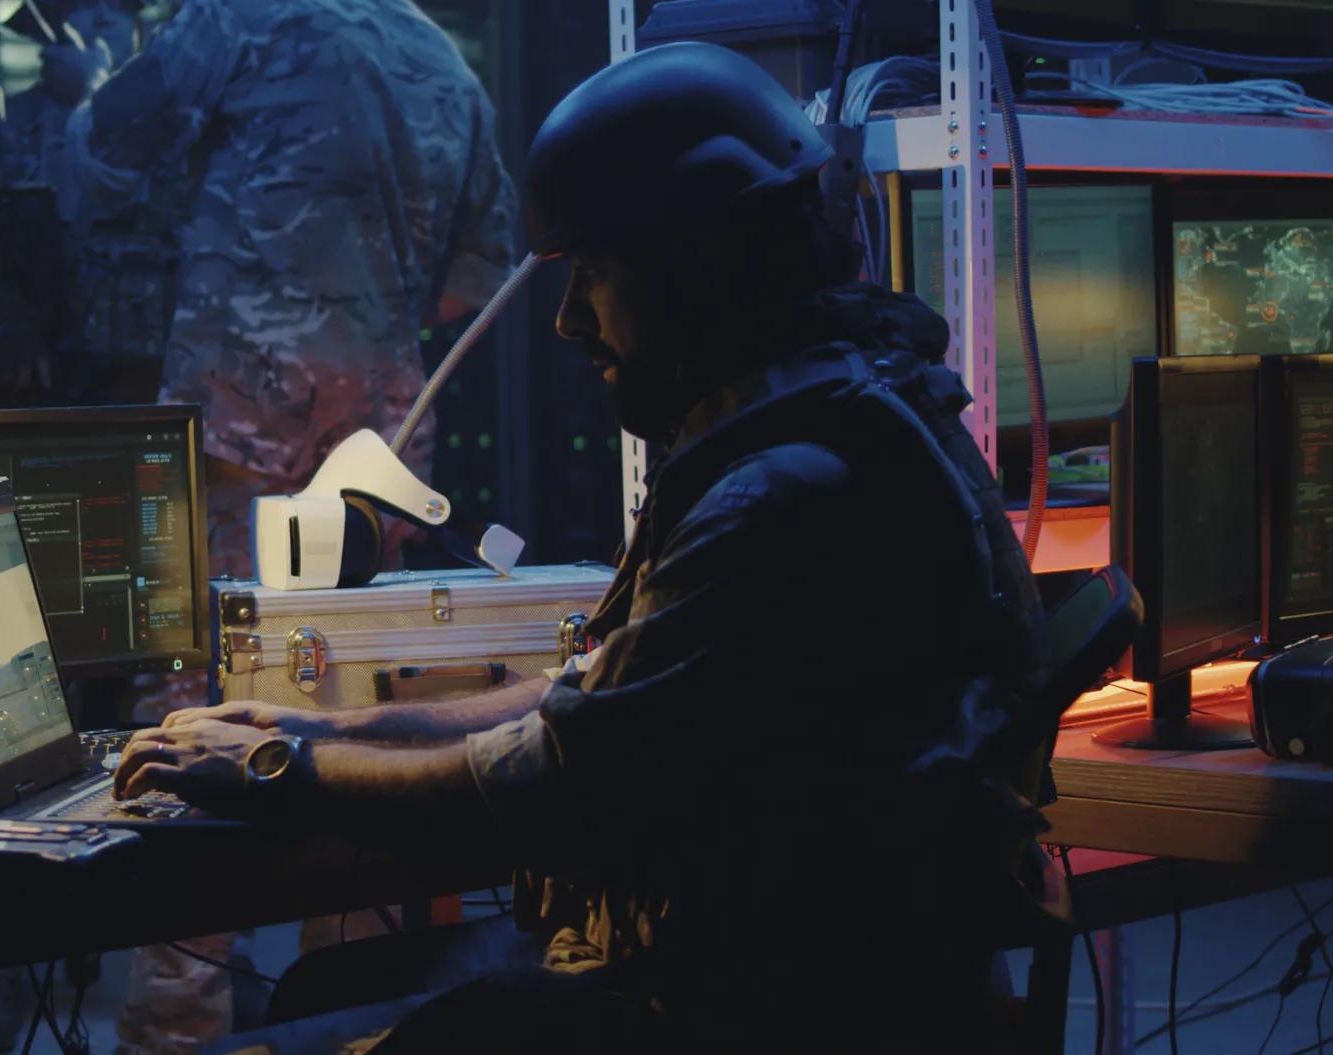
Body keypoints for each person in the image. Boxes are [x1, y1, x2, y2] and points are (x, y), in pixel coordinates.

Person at [112, 42, 1048, 1053]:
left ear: (701, 261)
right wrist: (322, 735)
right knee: (322, 987)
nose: (567, 321)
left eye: (593, 274)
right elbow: (602, 699)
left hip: (748, 1008)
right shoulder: (842, 421)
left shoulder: (780, 495)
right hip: (798, 977)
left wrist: (273, 771)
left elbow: (553, 784)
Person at [63, 0, 519, 601]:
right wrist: (361, 317)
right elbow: (477, 283)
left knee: (207, 650)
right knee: (359, 651)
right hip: (385, 438)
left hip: (240, 421)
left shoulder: (236, 17)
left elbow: (102, 155)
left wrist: (86, 80)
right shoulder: (446, 64)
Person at [0, 0, 146, 409]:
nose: (107, 17)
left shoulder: (176, 127)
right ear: (47, 24)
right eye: (87, 6)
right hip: (30, 400)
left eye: (122, 6)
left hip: (153, 397)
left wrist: (94, 97)